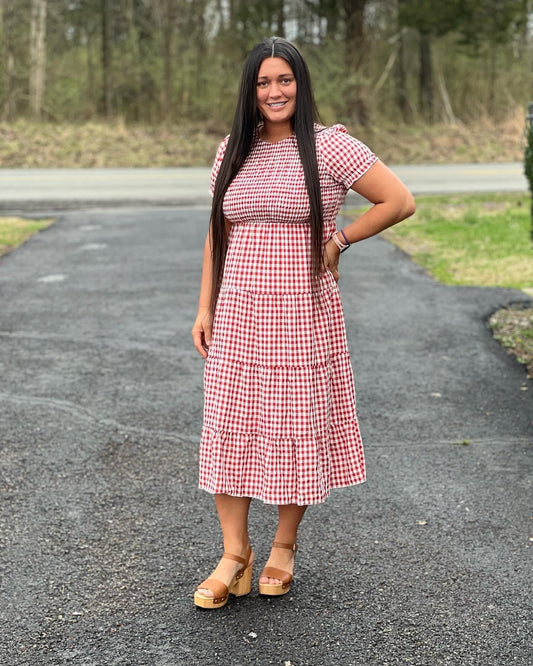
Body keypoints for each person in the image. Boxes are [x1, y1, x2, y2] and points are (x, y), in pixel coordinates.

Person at [191, 36, 415, 609]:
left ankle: (283, 548)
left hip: (302, 315)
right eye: (263, 82)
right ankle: (233, 555)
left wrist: (341, 239)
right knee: (232, 425)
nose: (274, 92)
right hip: (239, 314)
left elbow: (398, 200)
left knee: (294, 428)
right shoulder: (232, 150)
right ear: (250, 89)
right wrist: (203, 307)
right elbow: (218, 233)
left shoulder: (330, 146)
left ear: (301, 84)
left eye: (284, 80)